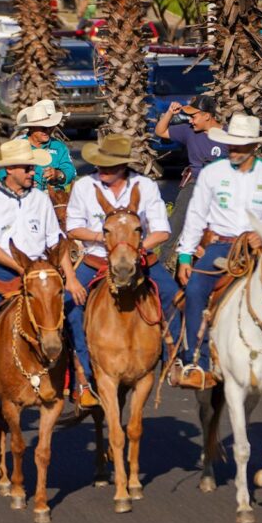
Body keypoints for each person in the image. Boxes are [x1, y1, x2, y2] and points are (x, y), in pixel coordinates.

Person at [173, 114, 262, 390]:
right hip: (219, 245)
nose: (234, 151)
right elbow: (196, 215)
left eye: (241, 146)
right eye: (231, 145)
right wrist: (184, 255)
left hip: (261, 247)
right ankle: (196, 361)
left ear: (254, 146)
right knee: (193, 292)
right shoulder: (211, 173)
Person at [0, 139, 83, 417]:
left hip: (42, 270)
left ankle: (81, 383)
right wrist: (20, 266)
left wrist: (72, 278)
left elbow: (56, 240)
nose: (33, 172)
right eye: (28, 168)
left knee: (74, 314)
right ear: (10, 170)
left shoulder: (40, 199)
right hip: (3, 270)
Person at [64, 134, 180, 409]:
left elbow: (162, 230)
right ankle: (81, 375)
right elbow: (72, 228)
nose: (102, 170)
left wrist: (135, 247)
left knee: (174, 298)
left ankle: (174, 359)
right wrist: (105, 238)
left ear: (123, 166)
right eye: (100, 164)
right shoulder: (84, 186)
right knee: (67, 306)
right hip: (96, 260)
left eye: (109, 166)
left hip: (140, 259)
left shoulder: (146, 186)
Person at [155, 94, 224, 270]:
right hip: (196, 184)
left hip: (221, 187)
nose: (191, 121)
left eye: (194, 116)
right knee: (177, 220)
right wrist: (170, 113)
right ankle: (164, 263)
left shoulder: (227, 137)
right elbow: (160, 131)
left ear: (207, 116)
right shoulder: (188, 131)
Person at [0, 99, 75, 190]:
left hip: (54, 199)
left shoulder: (59, 147)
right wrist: (22, 183)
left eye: (50, 127)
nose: (48, 131)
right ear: (31, 128)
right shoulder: (17, 147)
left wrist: (59, 174)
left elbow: (71, 172)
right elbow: (3, 175)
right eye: (43, 128)